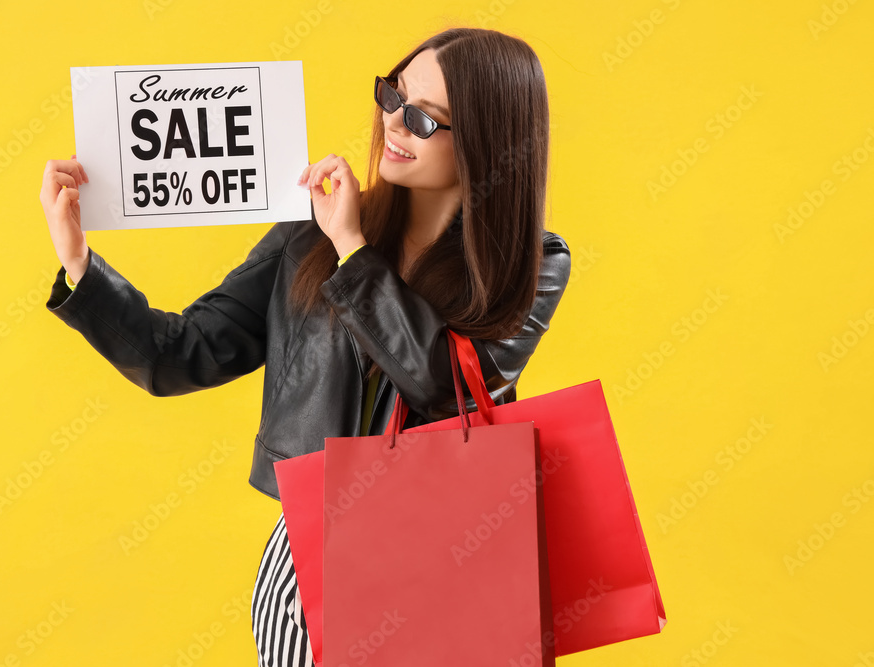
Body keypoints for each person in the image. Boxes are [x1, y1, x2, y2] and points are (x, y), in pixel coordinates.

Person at [40, 26, 571, 667]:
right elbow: (175, 356)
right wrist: (80, 266)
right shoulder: (307, 233)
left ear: (487, 143)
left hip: (451, 554)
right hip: (311, 558)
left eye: (425, 121)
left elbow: (443, 384)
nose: (394, 125)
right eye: (391, 96)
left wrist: (353, 248)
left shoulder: (531, 263)